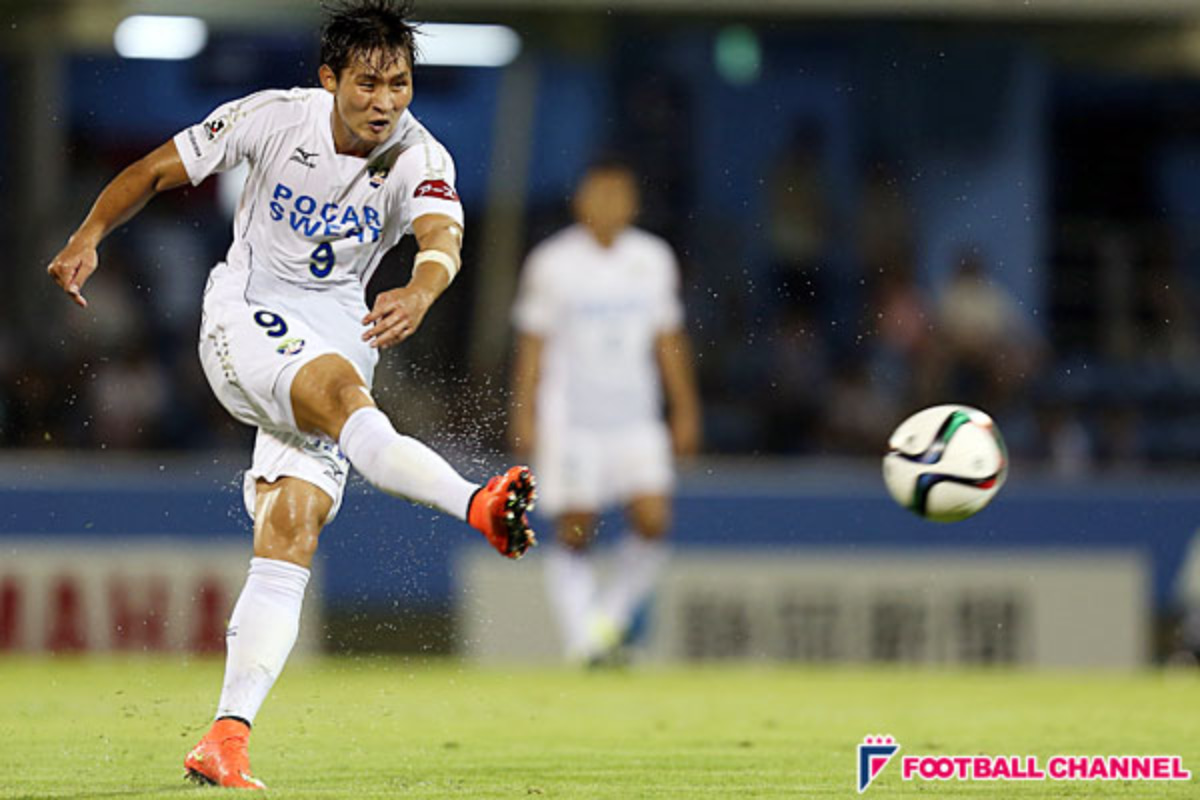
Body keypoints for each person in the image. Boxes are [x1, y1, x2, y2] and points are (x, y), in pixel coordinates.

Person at [45, 0, 536, 789]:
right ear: (329, 78)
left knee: (291, 530)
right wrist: (89, 235)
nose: (385, 102)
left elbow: (442, 237)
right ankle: (476, 504)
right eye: (369, 83)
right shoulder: (273, 117)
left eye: (400, 84)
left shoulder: (420, 154)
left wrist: (420, 288)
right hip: (243, 317)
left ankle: (226, 736)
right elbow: (156, 171)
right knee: (344, 397)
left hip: (337, 332)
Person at [508, 157, 701, 664]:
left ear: (633, 204)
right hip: (573, 419)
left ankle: (607, 621)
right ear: (580, 201)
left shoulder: (653, 259)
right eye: (600, 194)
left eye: (619, 195)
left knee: (654, 520)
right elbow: (532, 345)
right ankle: (583, 641)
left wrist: (685, 409)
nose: (609, 204)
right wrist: (523, 412)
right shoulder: (552, 263)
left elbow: (668, 339)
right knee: (575, 527)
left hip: (636, 416)